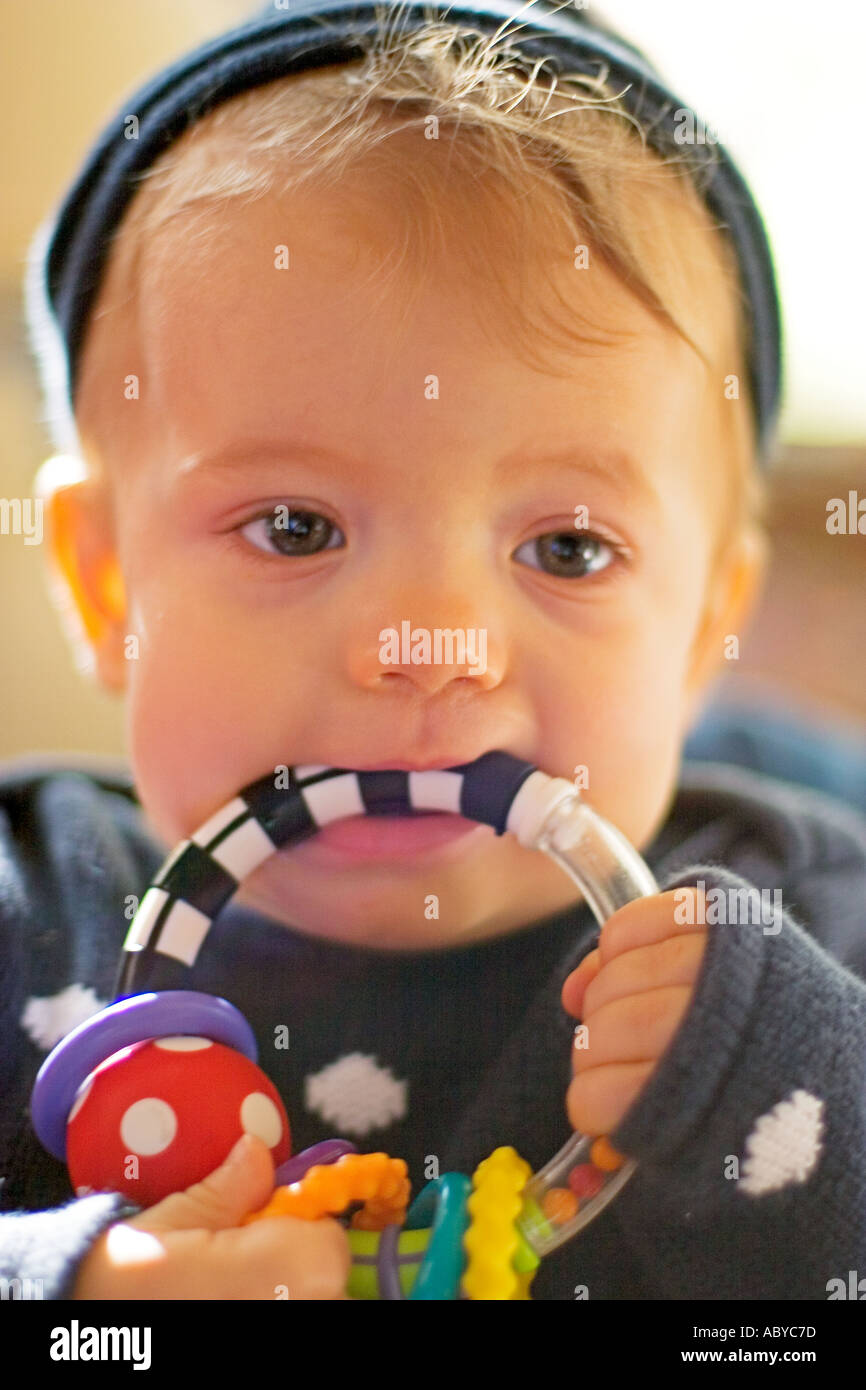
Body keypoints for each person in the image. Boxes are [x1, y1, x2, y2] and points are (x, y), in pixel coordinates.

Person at [3, 0, 865, 1300]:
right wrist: (75, 1289)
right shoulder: (25, 915)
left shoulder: (805, 923)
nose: (429, 645)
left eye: (566, 548)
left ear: (702, 626)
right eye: (294, 527)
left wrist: (790, 1065)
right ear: (108, 580)